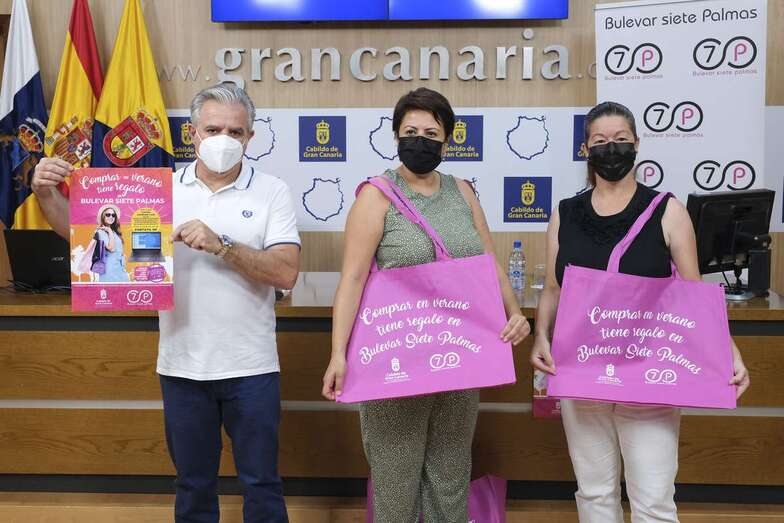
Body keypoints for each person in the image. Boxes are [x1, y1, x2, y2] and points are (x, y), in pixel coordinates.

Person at [31, 83, 301, 523]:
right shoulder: (157, 190)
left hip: (252, 367)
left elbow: (286, 272)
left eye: (236, 132)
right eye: (213, 128)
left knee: (262, 483)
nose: (224, 140)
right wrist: (46, 194)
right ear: (192, 133)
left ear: (250, 137)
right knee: (193, 485)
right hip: (181, 367)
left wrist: (222, 245)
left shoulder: (271, 191)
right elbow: (85, 236)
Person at [530, 101, 750, 523]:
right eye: (600, 141)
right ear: (585, 149)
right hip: (582, 371)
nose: (611, 149)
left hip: (651, 372)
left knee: (653, 497)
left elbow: (692, 292)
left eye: (621, 141)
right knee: (594, 492)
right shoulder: (565, 213)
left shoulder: (668, 210)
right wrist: (542, 334)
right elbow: (555, 287)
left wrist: (729, 350)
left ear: (637, 146)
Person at [322, 87, 531, 522]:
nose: (420, 139)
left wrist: (512, 312)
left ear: (448, 139)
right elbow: (353, 280)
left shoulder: (463, 191)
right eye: (410, 131)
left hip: (459, 357)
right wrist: (338, 354)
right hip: (395, 357)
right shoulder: (375, 196)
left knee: (451, 473)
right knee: (396, 481)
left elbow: (487, 260)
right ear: (396, 136)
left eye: (431, 132)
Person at [94, 204, 129, 282]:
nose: (111, 217)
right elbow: (111, 248)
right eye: (108, 214)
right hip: (109, 268)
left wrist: (122, 256)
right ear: (103, 216)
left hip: (119, 266)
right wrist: (109, 231)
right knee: (110, 291)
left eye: (113, 215)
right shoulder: (100, 232)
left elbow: (118, 248)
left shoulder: (114, 232)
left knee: (123, 291)